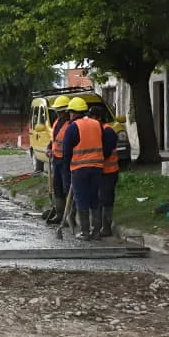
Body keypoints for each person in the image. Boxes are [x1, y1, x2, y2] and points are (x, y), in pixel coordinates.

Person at [61, 96, 104, 241]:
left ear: (73, 112)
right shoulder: (96, 124)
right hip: (97, 167)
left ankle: (85, 232)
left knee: (81, 199)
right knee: (94, 199)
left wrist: (67, 170)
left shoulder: (72, 127)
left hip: (79, 169)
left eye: (70, 113)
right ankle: (96, 232)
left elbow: (66, 151)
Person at [90, 104, 119, 238]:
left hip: (109, 171)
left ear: (99, 118)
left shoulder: (108, 132)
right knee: (98, 198)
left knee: (106, 199)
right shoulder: (98, 131)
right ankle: (98, 226)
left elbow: (106, 153)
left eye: (93, 117)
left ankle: (106, 227)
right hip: (99, 171)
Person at [44, 94, 73, 225]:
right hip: (56, 159)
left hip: (66, 161)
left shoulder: (71, 125)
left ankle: (69, 216)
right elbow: (54, 139)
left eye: (59, 111)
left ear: (65, 111)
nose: (57, 113)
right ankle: (60, 214)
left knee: (67, 187)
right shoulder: (57, 122)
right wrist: (49, 147)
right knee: (57, 186)